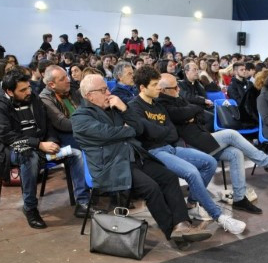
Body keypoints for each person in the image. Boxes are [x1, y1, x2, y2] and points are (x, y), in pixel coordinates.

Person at [71, 74, 212, 245]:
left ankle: (182, 224)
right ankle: (173, 233)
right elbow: (107, 134)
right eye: (103, 90)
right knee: (151, 188)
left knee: (168, 177)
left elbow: (138, 128)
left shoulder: (114, 108)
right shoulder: (79, 118)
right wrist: (126, 130)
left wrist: (124, 109)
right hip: (111, 165)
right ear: (89, 95)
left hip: (133, 157)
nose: (108, 92)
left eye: (107, 88)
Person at [125, 66, 246, 235]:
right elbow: (149, 133)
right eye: (154, 85)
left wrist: (157, 131)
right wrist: (159, 131)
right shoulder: (134, 107)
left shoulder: (158, 104)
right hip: (154, 152)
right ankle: (219, 216)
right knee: (192, 172)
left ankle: (192, 202)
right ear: (142, 88)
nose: (159, 88)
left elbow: (172, 132)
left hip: (171, 147)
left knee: (210, 162)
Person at [157, 73, 268, 214]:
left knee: (236, 153)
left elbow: (201, 115)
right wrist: (193, 111)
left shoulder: (177, 98)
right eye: (175, 87)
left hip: (204, 138)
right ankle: (267, 162)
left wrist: (192, 114)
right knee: (231, 134)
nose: (179, 89)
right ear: (163, 90)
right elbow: (185, 113)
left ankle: (239, 198)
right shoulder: (161, 104)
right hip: (195, 144)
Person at [0, 69, 91, 228]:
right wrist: (39, 144)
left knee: (75, 154)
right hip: (12, 149)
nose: (28, 92)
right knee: (29, 156)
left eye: (28, 87)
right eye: (23, 90)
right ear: (9, 92)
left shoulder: (33, 98)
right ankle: (30, 208)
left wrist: (51, 141)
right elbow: (8, 137)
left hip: (40, 145)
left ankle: (83, 202)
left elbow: (48, 125)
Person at [39, 65, 83, 149]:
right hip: (67, 134)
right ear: (52, 84)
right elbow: (61, 123)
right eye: (62, 79)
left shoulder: (73, 88)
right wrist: (87, 123)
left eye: (67, 76)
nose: (68, 80)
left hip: (82, 127)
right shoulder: (45, 98)